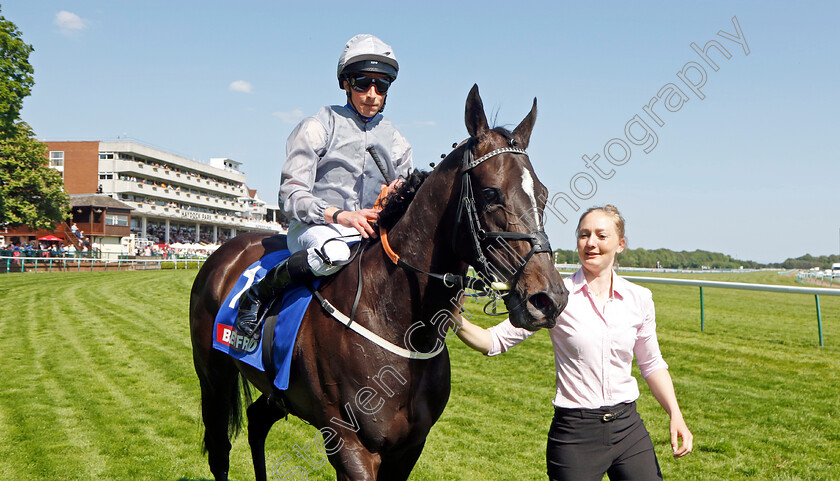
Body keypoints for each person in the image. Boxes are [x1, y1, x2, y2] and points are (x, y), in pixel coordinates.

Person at [455, 205, 692, 481]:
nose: (591, 243)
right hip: (575, 434)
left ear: (621, 244)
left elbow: (651, 364)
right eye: (584, 235)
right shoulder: (556, 296)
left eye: (601, 236)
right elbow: (493, 341)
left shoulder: (640, 298)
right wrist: (454, 318)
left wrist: (675, 414)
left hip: (628, 428)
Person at [233, 34, 413, 338]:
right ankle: (258, 295)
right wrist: (340, 215)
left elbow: (408, 194)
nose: (372, 93)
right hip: (315, 228)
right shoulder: (318, 125)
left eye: (380, 85)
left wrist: (401, 194)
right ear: (345, 83)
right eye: (362, 83)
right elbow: (290, 195)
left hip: (369, 232)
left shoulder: (396, 140)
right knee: (337, 253)